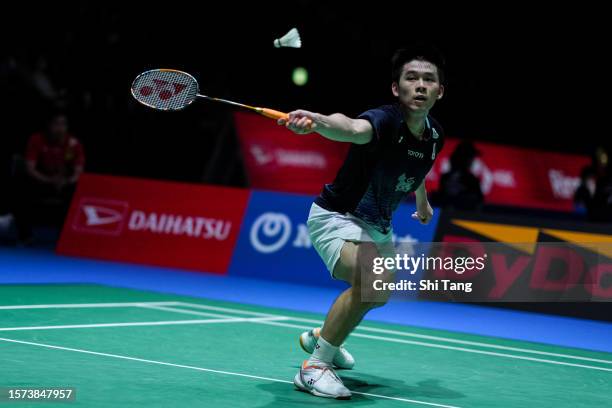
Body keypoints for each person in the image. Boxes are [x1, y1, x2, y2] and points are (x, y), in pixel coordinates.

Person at [278, 44, 446, 399]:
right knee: (374, 279)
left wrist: (422, 199)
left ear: (439, 91)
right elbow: (351, 128)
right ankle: (316, 366)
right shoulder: (384, 121)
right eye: (411, 78)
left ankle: (323, 337)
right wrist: (318, 122)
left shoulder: (434, 135)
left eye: (428, 80)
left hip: (378, 226)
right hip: (339, 215)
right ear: (396, 89)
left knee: (378, 292)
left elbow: (417, 167)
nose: (419, 85)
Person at [12, 112, 84, 244]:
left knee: (76, 191)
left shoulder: (73, 144)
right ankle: (25, 235)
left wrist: (67, 181)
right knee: (20, 190)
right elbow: (30, 168)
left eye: (63, 124)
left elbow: (78, 171)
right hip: (41, 181)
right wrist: (49, 180)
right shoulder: (37, 140)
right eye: (56, 124)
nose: (60, 128)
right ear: (49, 125)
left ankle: (66, 237)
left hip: (64, 184)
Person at [438, 140, 484, 211]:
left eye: (472, 157)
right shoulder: (445, 177)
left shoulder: (472, 180)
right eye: (470, 157)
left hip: (464, 218)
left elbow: (479, 205)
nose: (471, 160)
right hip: (444, 217)